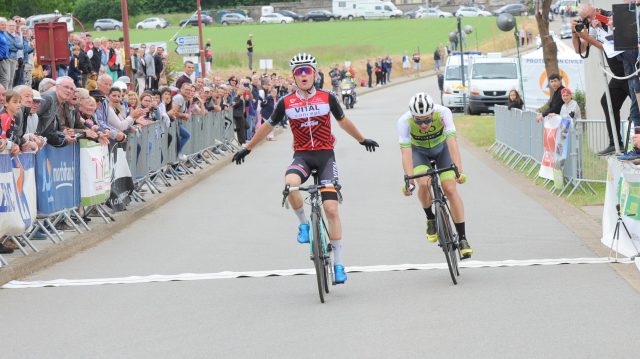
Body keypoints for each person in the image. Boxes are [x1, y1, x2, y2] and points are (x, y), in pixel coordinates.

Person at [231, 53, 379, 284]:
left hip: (325, 157)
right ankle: (303, 224)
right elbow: (267, 126)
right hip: (302, 156)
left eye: (307, 71)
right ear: (293, 76)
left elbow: (343, 121)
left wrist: (362, 140)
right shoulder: (286, 102)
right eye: (298, 72)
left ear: (314, 74)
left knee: (331, 209)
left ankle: (339, 264)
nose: (303, 75)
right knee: (290, 185)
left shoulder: (327, 97)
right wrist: (247, 148)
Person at [398, 92, 472, 258]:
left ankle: (462, 238)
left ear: (432, 113)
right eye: (418, 120)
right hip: (419, 153)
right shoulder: (404, 121)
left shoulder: (443, 113)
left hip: (442, 150)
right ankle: (430, 217)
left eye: (426, 120)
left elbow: (452, 141)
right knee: (423, 183)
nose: (423, 124)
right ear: (413, 116)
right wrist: (409, 179)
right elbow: (406, 152)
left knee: (450, 190)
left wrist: (458, 170)